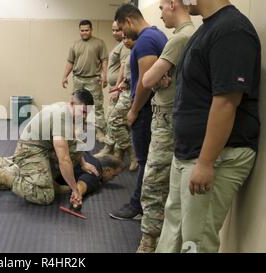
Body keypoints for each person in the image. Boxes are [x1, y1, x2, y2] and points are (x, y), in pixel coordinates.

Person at [156, 0, 261, 253]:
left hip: (215, 156)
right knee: (173, 235)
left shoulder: (232, 30)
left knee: (195, 242)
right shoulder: (206, 29)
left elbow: (226, 103)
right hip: (188, 152)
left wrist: (205, 162)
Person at [0, 90, 97, 207]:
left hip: (37, 147)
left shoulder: (67, 110)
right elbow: (64, 160)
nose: (84, 116)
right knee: (45, 195)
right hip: (30, 150)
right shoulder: (62, 117)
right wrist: (75, 190)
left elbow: (72, 144)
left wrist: (83, 163)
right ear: (72, 103)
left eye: (87, 113)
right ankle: (3, 177)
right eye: (82, 112)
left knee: (75, 147)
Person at [134, 0, 195, 253]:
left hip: (167, 121)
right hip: (171, 116)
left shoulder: (181, 38)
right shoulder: (191, 36)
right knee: (166, 186)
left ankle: (148, 244)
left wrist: (156, 79)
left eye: (161, 8)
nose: (160, 15)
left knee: (153, 185)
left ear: (172, 4)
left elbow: (147, 79)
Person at [109, 4, 168, 221]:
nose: (123, 34)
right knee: (148, 160)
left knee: (144, 160)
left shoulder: (145, 41)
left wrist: (133, 111)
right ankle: (141, 205)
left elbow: (145, 83)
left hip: (145, 111)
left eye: (122, 28)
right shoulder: (157, 35)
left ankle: (138, 207)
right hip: (151, 109)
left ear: (129, 21)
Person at [97, 22, 138, 172]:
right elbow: (124, 68)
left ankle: (131, 153)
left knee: (114, 121)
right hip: (121, 89)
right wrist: (118, 85)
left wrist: (119, 87)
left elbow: (125, 68)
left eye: (118, 30)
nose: (115, 33)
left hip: (126, 93)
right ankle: (117, 153)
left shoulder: (130, 47)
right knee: (115, 121)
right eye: (113, 30)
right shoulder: (125, 46)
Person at [62, 20, 109, 143]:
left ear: (91, 30)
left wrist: (105, 76)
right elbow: (70, 62)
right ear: (79, 31)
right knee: (76, 106)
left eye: (86, 30)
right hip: (78, 79)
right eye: (82, 30)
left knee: (97, 107)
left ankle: (100, 132)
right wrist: (64, 76)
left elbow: (104, 60)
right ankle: (78, 131)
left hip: (93, 80)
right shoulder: (74, 45)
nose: (84, 32)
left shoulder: (99, 43)